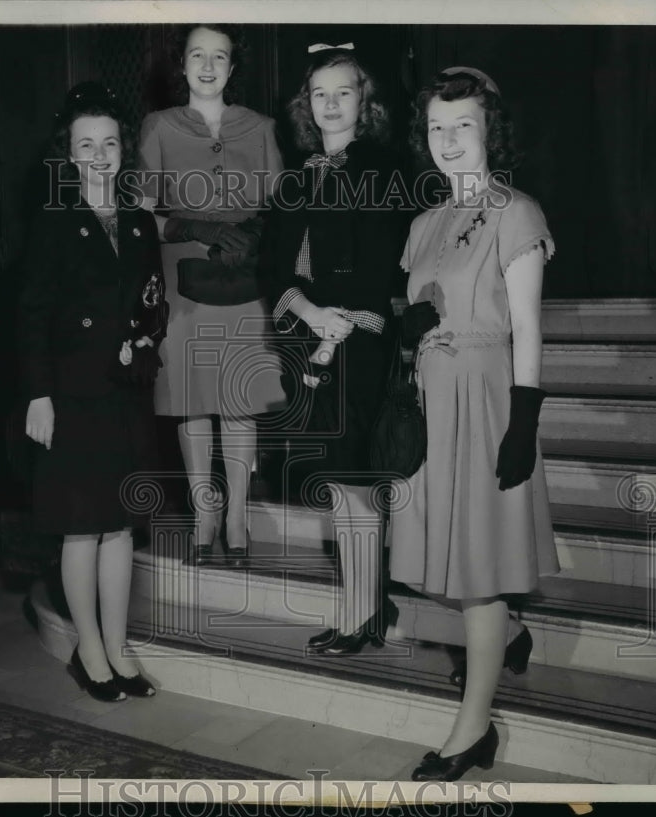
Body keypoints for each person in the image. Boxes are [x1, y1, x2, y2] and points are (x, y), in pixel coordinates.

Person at [388, 67, 560, 780]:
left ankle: (473, 729)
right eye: (437, 127)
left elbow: (526, 326)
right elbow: (413, 311)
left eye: (464, 126)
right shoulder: (424, 223)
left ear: (490, 131)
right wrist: (412, 338)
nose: (450, 140)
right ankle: (511, 635)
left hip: (489, 398)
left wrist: (522, 422)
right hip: (433, 401)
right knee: (453, 560)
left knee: (481, 569)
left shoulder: (516, 212)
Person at [19, 83, 167, 702]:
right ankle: (89, 650)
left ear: (122, 149)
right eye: (87, 145)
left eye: (109, 142)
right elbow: (29, 313)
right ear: (70, 154)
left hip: (124, 391)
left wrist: (145, 347)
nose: (100, 154)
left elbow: (155, 304)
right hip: (71, 394)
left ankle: (117, 644)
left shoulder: (137, 221)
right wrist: (38, 396)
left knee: (121, 526)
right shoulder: (55, 221)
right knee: (83, 527)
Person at [265, 44, 406, 655]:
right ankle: (365, 606)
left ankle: (361, 615)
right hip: (311, 344)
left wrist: (351, 318)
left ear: (363, 101)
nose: (330, 103)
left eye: (343, 91)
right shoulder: (295, 178)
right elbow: (270, 269)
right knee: (339, 483)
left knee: (354, 484)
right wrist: (310, 313)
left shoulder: (388, 171)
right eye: (319, 93)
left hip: (364, 342)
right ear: (306, 104)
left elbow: (393, 268)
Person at [137, 24, 287, 567]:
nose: (207, 66)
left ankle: (239, 517)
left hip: (243, 278)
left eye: (218, 56)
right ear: (182, 64)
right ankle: (205, 514)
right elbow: (142, 215)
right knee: (191, 402)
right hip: (185, 286)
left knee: (239, 401)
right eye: (197, 55)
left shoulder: (263, 128)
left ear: (231, 66)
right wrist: (194, 226)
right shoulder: (157, 127)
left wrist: (254, 235)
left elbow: (282, 211)